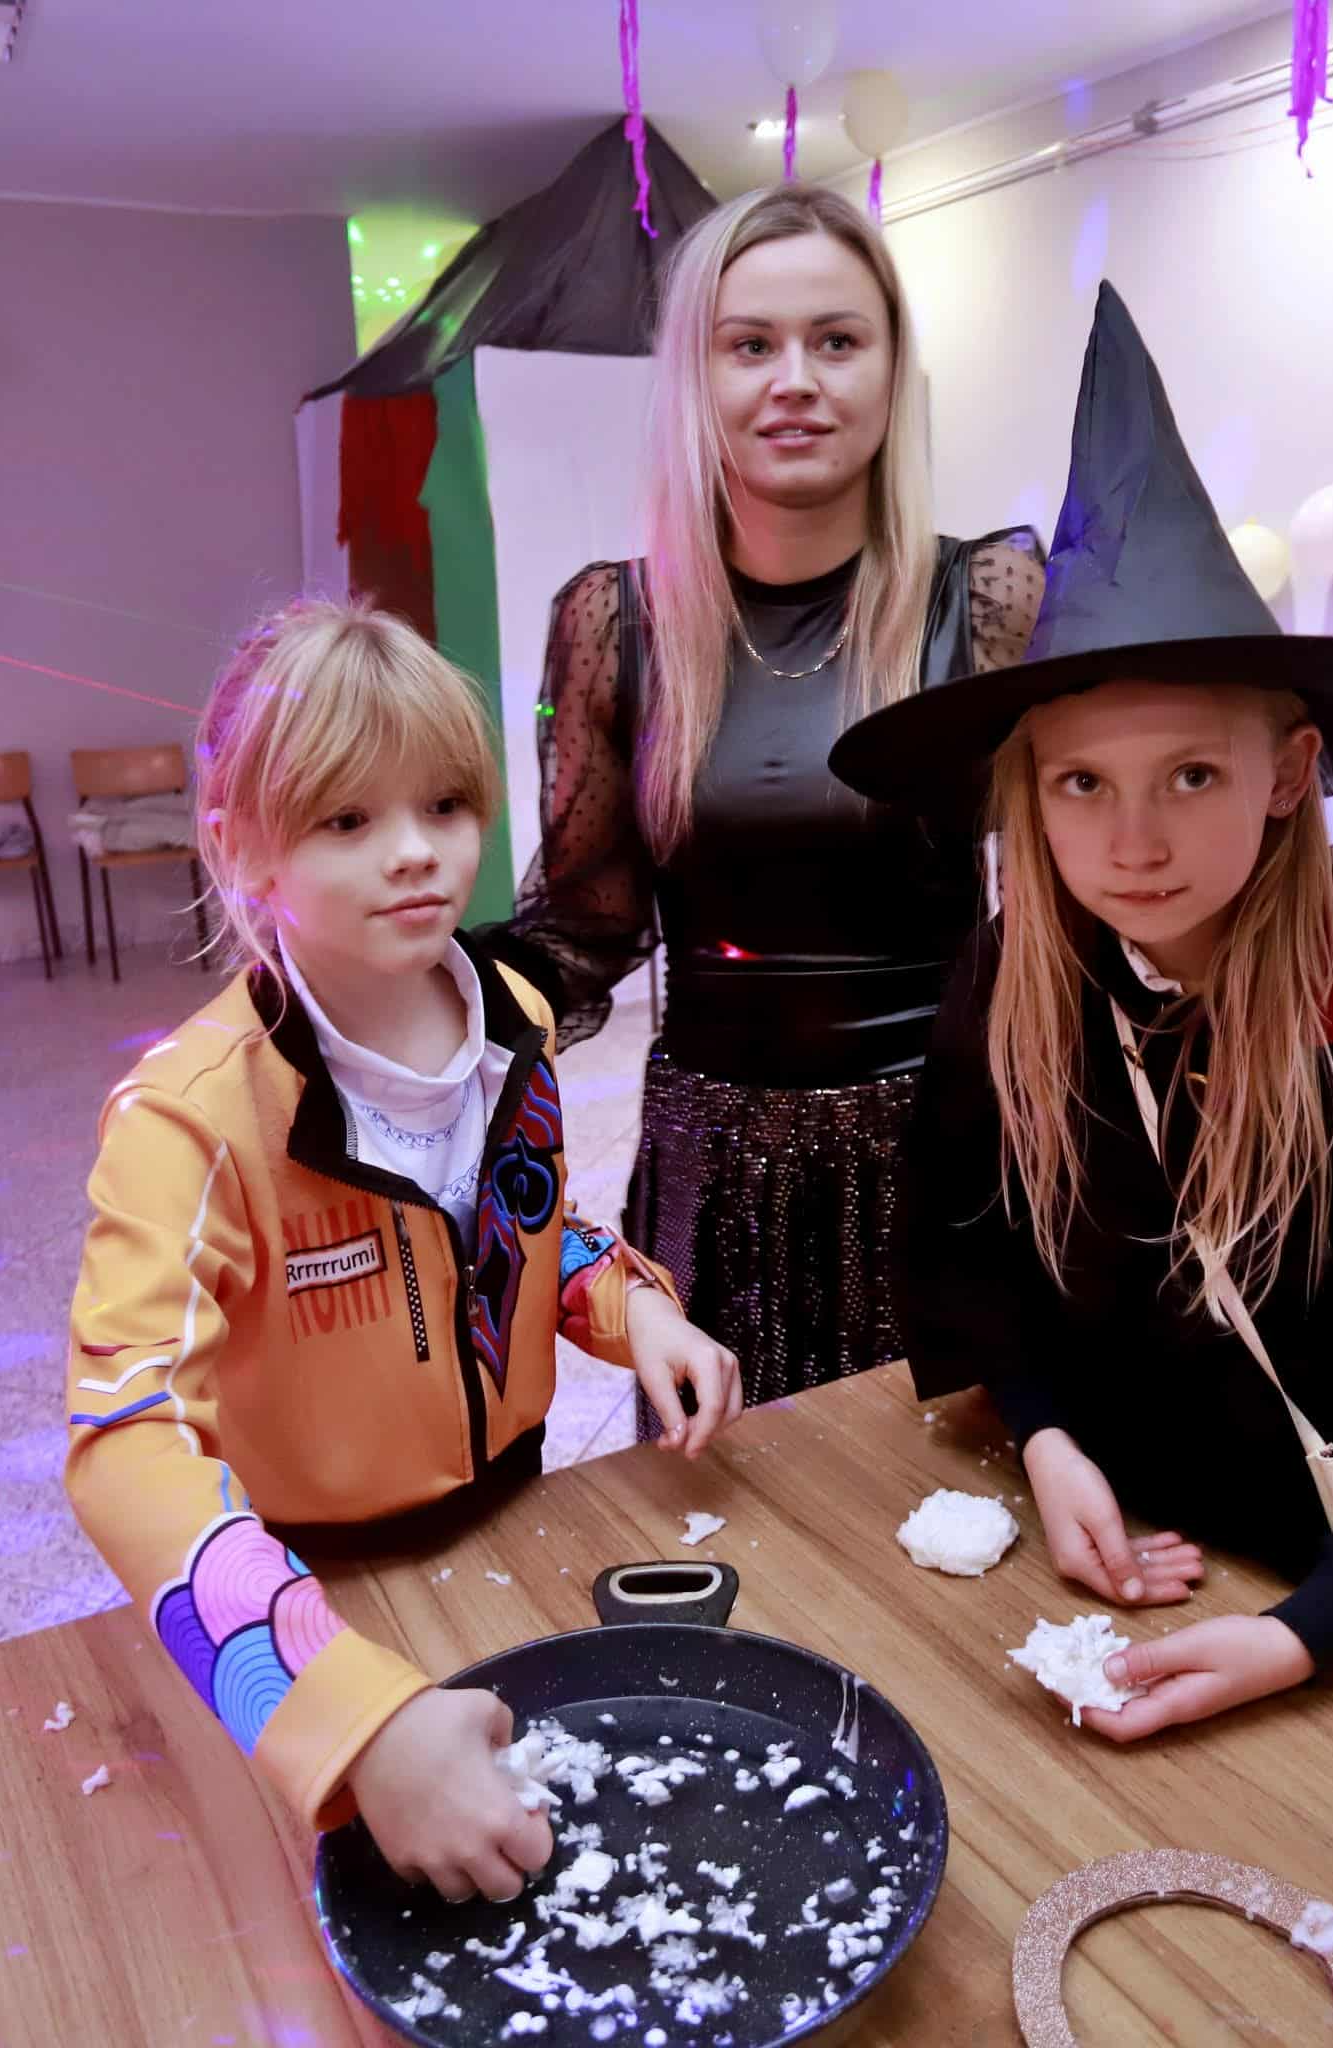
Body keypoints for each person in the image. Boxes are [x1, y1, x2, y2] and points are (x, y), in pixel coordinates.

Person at [829, 282, 1333, 1735]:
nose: (1134, 843)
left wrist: (1304, 1635)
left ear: (1289, 772)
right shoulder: (1010, 978)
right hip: (1122, 1535)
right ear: (1029, 793)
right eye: (1082, 784)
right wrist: (1045, 1435)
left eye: (1191, 774)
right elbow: (972, 1240)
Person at [63, 599, 740, 1903]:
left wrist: (634, 1309)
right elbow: (125, 1446)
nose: (418, 853)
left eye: (444, 804)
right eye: (346, 820)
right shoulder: (185, 1120)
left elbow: (524, 1224)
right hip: (318, 1590)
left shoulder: (513, 1014)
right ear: (239, 846)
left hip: (525, 1525)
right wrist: (349, 1721)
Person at [494, 182, 1046, 1421]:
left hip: (941, 1151)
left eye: (836, 340)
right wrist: (416, 1001)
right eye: (749, 345)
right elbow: (585, 924)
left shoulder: (987, 600)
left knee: (947, 1500)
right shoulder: (613, 619)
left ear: (892, 370)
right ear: (697, 377)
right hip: (715, 1172)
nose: (794, 380)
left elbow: (1069, 896)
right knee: (723, 1507)